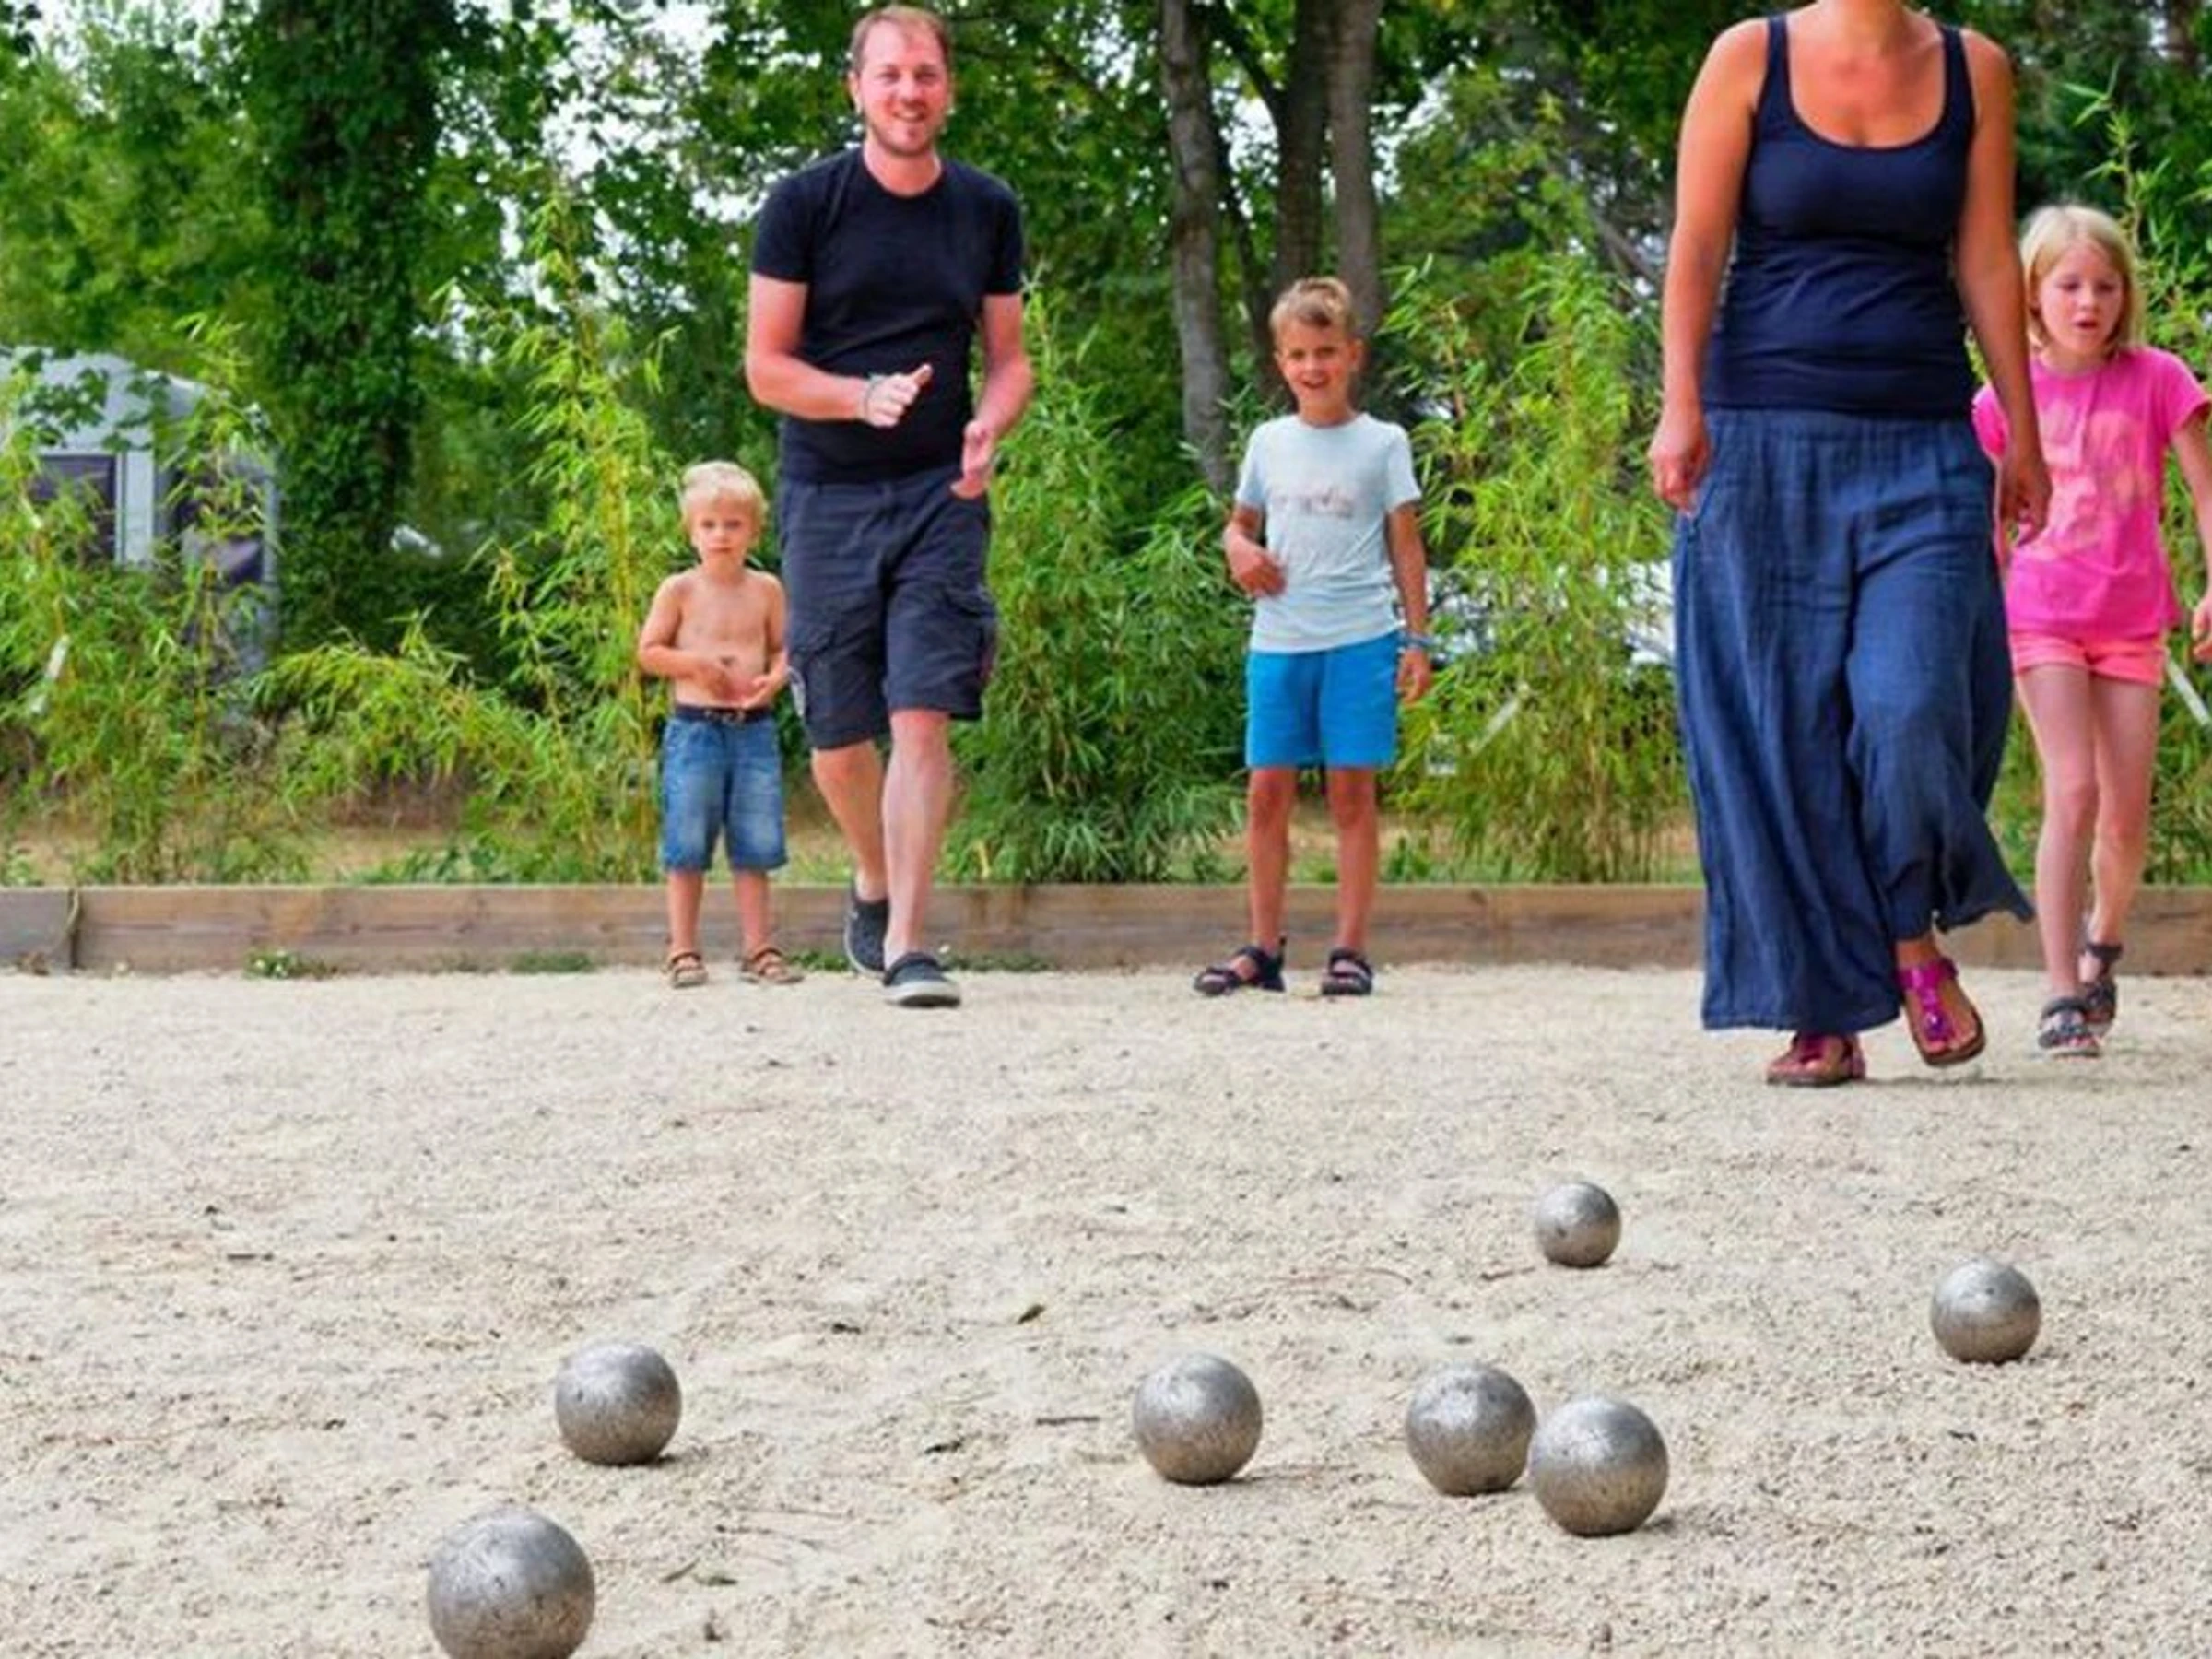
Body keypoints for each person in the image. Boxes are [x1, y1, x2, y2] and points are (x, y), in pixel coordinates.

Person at [1648, 0, 2052, 1086]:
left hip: (1923, 442)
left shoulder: (1974, 68)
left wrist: (2021, 429)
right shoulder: (1749, 57)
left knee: (1913, 707)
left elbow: (1985, 258)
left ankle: (1907, 927)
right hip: (1763, 439)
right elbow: (1698, 242)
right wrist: (1681, 404)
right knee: (1783, 732)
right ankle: (1823, 1007)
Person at [744, 4, 1032, 1010]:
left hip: (940, 494)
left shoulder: (986, 208)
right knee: (838, 735)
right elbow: (766, 368)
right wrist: (858, 397)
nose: (910, 92)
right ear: (857, 89)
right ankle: (871, 877)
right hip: (827, 491)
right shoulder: (804, 205)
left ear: (948, 89)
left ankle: (909, 941)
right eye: (891, 75)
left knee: (921, 714)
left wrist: (990, 424)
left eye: (926, 75)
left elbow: (1009, 361)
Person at [1969, 204, 2212, 1056]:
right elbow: (1987, 517)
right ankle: (2060, 994)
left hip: (2131, 621)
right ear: (2033, 295)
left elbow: (2205, 494)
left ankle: (2101, 943)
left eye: (2105, 287)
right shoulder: (2001, 398)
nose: (2088, 302)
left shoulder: (2160, 380)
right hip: (2040, 616)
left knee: (2125, 816)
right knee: (2072, 791)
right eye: (2069, 285)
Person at [1193, 276, 1434, 1000]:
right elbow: (1239, 526)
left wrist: (1417, 641)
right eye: (1297, 354)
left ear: (1352, 354)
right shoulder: (1268, 443)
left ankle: (1350, 950)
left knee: (1350, 794)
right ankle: (1263, 948)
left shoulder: (1383, 443)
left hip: (1360, 639)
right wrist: (1239, 551)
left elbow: (1407, 545)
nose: (1312, 367)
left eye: (1325, 352)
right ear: (1280, 362)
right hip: (1279, 640)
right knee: (1267, 792)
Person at [635, 461, 804, 991]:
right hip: (695, 730)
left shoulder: (767, 589)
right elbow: (649, 652)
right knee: (686, 841)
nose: (721, 535)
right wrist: (693, 666)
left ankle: (759, 947)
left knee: (756, 840)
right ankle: (683, 948)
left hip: (753, 730)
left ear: (754, 531)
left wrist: (775, 679)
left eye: (733, 524)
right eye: (709, 525)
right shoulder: (680, 590)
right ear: (691, 532)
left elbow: (784, 648)